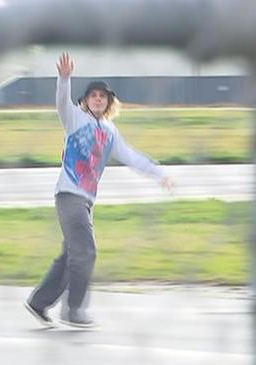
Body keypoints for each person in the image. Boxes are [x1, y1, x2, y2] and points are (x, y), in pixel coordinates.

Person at [24, 53, 174, 328]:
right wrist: (64, 78)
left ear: (109, 103)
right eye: (93, 95)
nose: (97, 99)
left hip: (86, 201)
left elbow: (130, 156)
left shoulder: (109, 130)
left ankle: (39, 302)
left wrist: (159, 173)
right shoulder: (74, 118)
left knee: (71, 254)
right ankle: (74, 310)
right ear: (85, 100)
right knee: (86, 251)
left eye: (102, 96)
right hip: (69, 195)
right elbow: (61, 102)